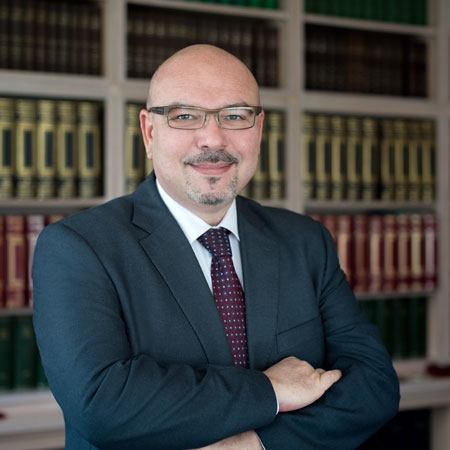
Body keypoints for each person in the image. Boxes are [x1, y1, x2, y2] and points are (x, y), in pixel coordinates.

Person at [33, 44, 399, 450]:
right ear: (149, 132)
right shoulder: (78, 247)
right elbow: (102, 404)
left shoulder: (305, 240)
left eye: (235, 116)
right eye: (185, 116)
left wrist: (254, 445)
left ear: (259, 130)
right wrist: (269, 390)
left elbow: (374, 385)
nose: (212, 138)